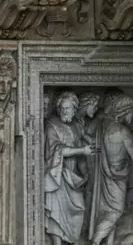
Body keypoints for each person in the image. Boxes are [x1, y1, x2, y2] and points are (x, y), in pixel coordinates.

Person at [88, 93, 133, 245]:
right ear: (124, 111)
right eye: (131, 112)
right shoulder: (122, 131)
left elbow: (124, 141)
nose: (132, 115)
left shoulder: (106, 126)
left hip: (107, 175)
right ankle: (95, 241)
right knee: (116, 211)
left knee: (109, 211)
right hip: (117, 176)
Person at [44, 91, 97, 245]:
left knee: (80, 207)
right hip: (57, 174)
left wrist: (85, 173)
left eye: (67, 108)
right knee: (57, 212)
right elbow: (57, 150)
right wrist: (82, 150)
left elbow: (81, 152)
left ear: (75, 109)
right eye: (61, 108)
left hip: (73, 176)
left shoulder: (77, 126)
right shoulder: (51, 126)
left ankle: (72, 241)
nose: (64, 111)